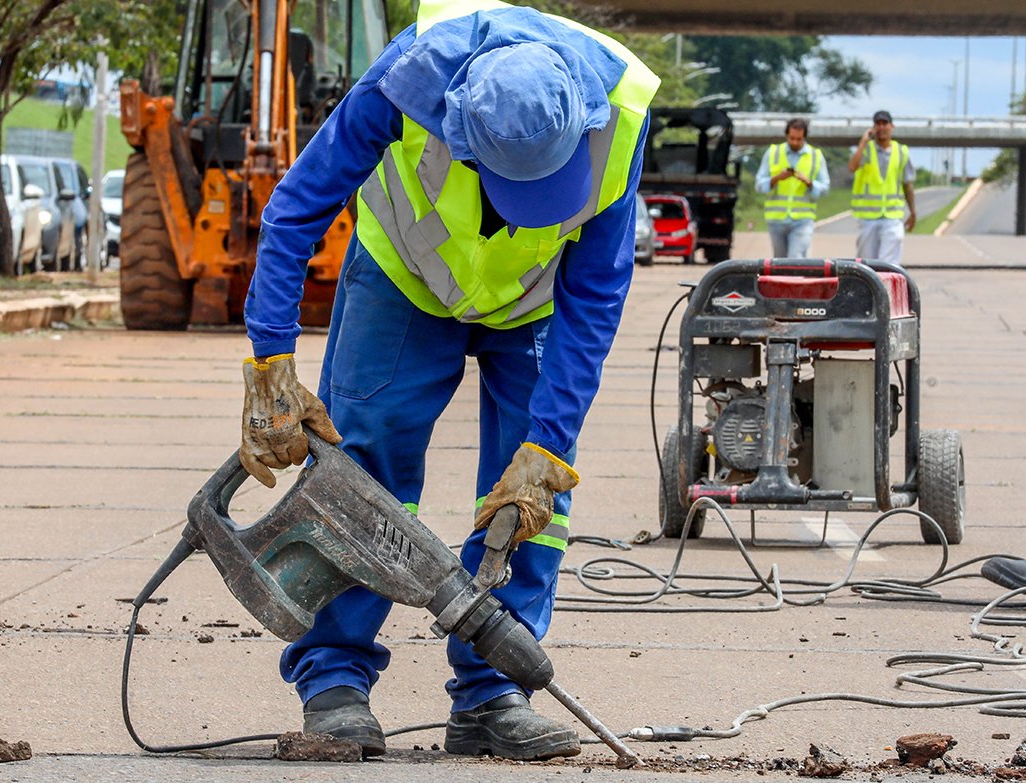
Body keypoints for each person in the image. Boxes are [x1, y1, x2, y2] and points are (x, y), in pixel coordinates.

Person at [237, 0, 659, 763]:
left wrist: (548, 442)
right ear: (461, 134)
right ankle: (334, 682)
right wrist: (270, 359)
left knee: (530, 493)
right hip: (403, 276)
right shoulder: (403, 80)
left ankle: (493, 693)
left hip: (533, 298)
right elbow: (296, 208)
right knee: (360, 474)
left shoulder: (620, 116)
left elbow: (596, 293)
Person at [848, 110, 916, 265]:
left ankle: (885, 290)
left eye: (885, 123)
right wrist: (863, 142)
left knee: (889, 264)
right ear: (873, 127)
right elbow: (852, 167)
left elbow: (908, 185)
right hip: (868, 217)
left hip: (892, 216)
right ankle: (868, 290)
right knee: (866, 264)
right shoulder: (865, 150)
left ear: (892, 126)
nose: (881, 127)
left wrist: (912, 212)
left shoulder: (901, 152)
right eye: (878, 124)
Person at [755, 118, 829, 258]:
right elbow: (759, 185)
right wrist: (777, 178)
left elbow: (825, 187)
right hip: (776, 220)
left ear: (805, 137)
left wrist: (809, 182)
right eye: (792, 138)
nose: (795, 142)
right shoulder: (772, 153)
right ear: (786, 135)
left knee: (796, 259)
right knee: (779, 263)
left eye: (799, 139)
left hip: (803, 219)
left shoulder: (815, 156)